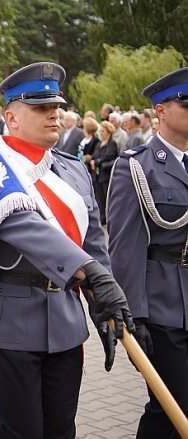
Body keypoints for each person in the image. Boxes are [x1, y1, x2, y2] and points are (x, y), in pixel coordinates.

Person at [0, 62, 134, 438]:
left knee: (60, 429)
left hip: (66, 321)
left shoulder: (72, 169)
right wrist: (94, 273)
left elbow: (93, 244)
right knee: (20, 432)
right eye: (39, 107)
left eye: (55, 105)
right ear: (11, 116)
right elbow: (22, 225)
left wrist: (103, 299)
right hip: (8, 321)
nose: (53, 113)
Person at [107, 67, 188, 438]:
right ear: (161, 111)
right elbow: (125, 246)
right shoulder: (137, 166)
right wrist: (132, 318)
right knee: (175, 406)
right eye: (186, 103)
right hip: (164, 308)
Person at [90, 121, 118, 224]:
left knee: (107, 197)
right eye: (100, 131)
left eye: (103, 131)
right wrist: (94, 160)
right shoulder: (99, 143)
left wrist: (97, 162)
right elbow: (95, 155)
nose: (101, 133)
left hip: (106, 174)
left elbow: (109, 156)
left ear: (108, 132)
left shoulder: (111, 144)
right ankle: (102, 216)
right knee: (99, 197)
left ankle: (109, 217)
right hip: (97, 175)